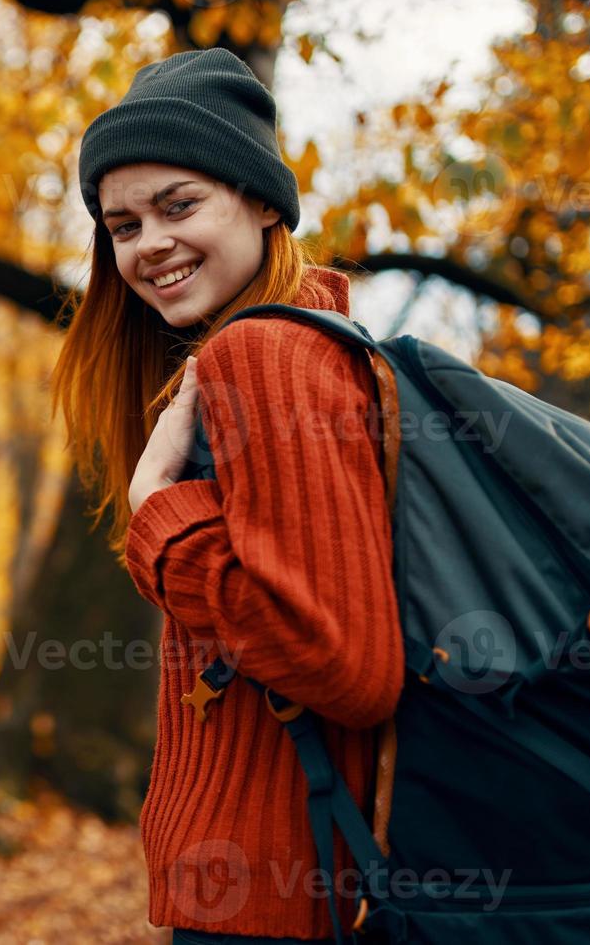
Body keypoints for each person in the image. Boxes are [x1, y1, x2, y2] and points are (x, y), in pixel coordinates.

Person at [49, 47, 405, 944]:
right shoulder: (296, 351)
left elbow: (346, 665)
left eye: (179, 205)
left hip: (279, 909)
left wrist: (158, 522)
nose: (149, 244)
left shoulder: (268, 355)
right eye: (122, 225)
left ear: (261, 201)